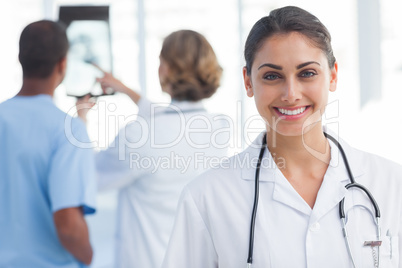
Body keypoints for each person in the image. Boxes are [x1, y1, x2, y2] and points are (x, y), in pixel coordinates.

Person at [161, 6, 402, 268]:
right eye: (272, 76)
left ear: (332, 75)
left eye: (307, 73)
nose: (290, 93)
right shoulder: (207, 198)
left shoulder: (390, 184)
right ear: (248, 82)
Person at [77, 29, 230, 268]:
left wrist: (81, 120)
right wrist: (126, 90)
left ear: (166, 69)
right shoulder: (220, 129)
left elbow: (89, 175)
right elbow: (173, 122)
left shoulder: (139, 135)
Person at [0, 20, 97, 267]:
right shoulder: (68, 131)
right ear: (63, 64)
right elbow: (68, 227)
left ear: (21, 59)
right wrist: (88, 255)